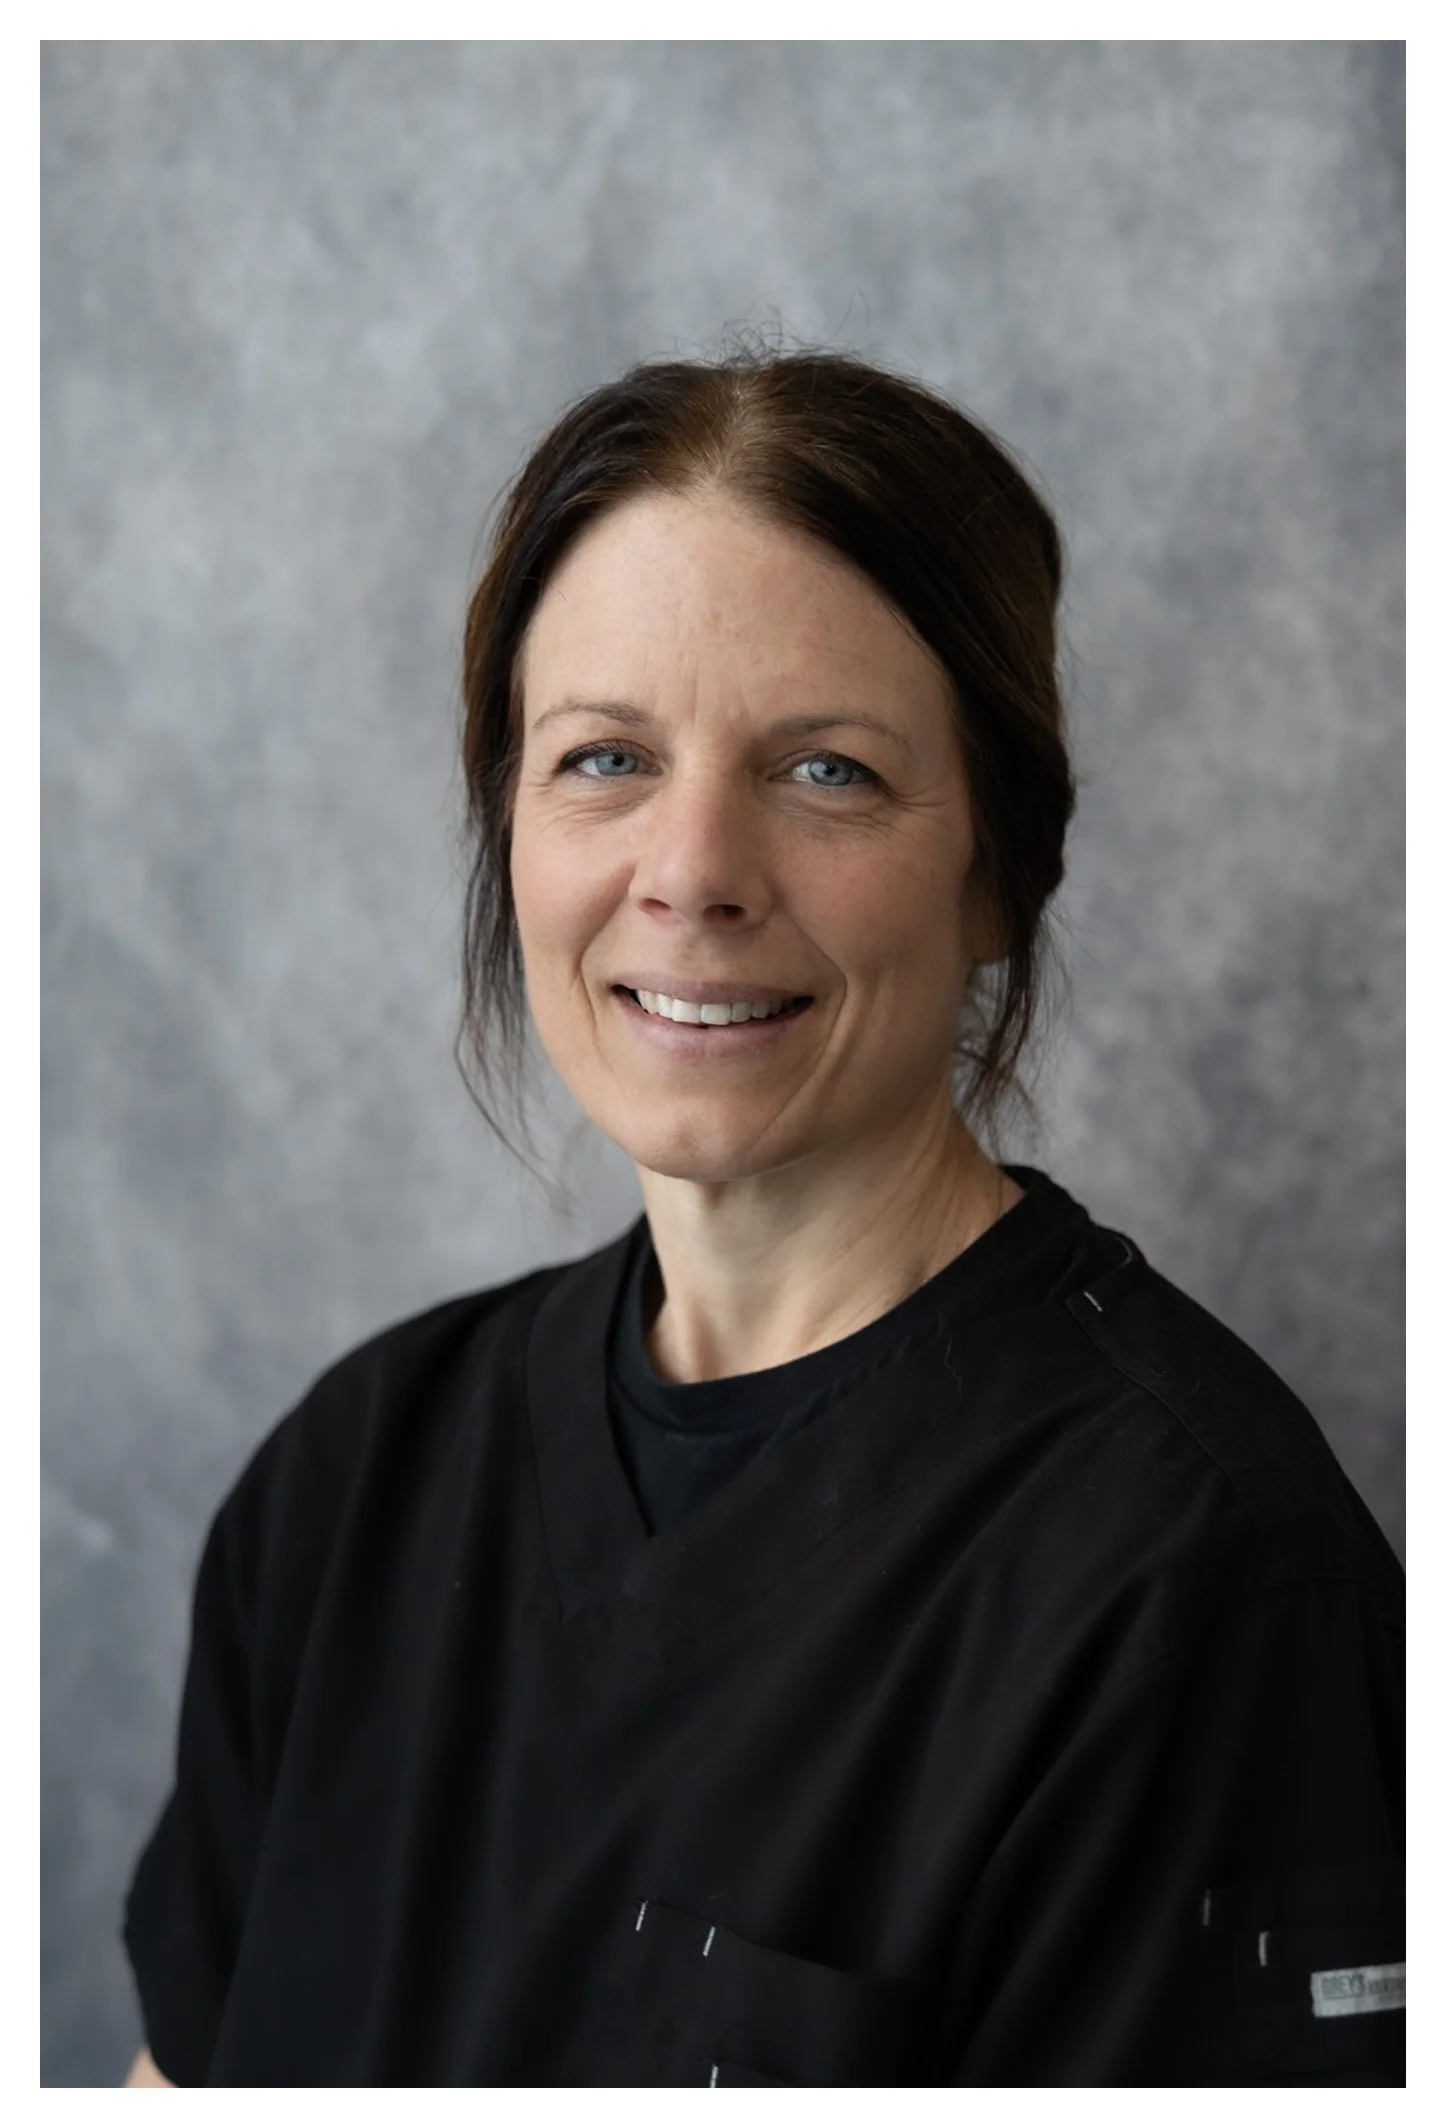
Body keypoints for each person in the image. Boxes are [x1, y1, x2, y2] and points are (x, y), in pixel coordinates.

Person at [121, 349, 1404, 2088]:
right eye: (603, 759)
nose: (692, 869)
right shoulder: (353, 1480)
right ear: (509, 823)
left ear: (1000, 874)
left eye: (825, 773)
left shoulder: (1203, 1585)